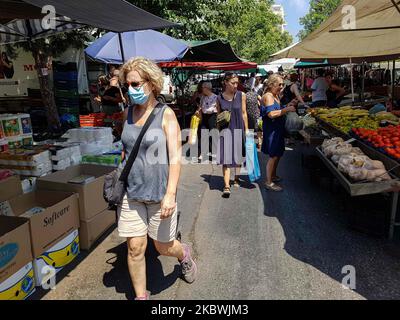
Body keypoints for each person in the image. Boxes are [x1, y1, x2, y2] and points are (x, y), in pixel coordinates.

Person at [118, 57, 197, 301]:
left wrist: (170, 195)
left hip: (160, 194)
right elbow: (126, 150)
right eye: (127, 85)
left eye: (135, 84)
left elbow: (175, 157)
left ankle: (183, 253)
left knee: (162, 246)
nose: (131, 90)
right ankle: (141, 296)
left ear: (151, 84)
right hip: (132, 194)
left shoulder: (166, 115)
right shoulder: (127, 113)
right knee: (134, 248)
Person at [261, 74, 296, 192]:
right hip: (272, 130)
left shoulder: (275, 96)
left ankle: (273, 175)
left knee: (278, 154)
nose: (282, 86)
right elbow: (271, 114)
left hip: (277, 129)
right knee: (273, 156)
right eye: (279, 84)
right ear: (271, 84)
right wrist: (286, 109)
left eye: (283, 84)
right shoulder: (269, 96)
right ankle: (268, 182)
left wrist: (287, 105)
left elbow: (277, 110)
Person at [217, 72, 249, 198]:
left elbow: (244, 113)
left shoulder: (242, 95)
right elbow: (219, 116)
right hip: (225, 131)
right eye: (233, 83)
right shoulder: (219, 98)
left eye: (237, 83)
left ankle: (236, 178)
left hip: (239, 128)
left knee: (238, 155)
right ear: (225, 82)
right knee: (226, 158)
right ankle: (226, 186)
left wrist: (246, 130)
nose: (236, 85)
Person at [195, 82, 218, 159]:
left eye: (202, 88)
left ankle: (213, 153)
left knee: (212, 134)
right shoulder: (203, 97)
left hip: (212, 117)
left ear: (206, 88)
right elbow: (200, 106)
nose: (201, 89)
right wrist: (198, 111)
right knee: (203, 134)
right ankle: (201, 153)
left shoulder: (216, 97)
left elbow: (218, 108)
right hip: (204, 117)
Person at [244, 83, 262, 149]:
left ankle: (251, 144)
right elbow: (261, 100)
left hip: (249, 115)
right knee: (258, 129)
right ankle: (259, 143)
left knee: (250, 130)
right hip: (257, 113)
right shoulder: (255, 94)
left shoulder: (244, 96)